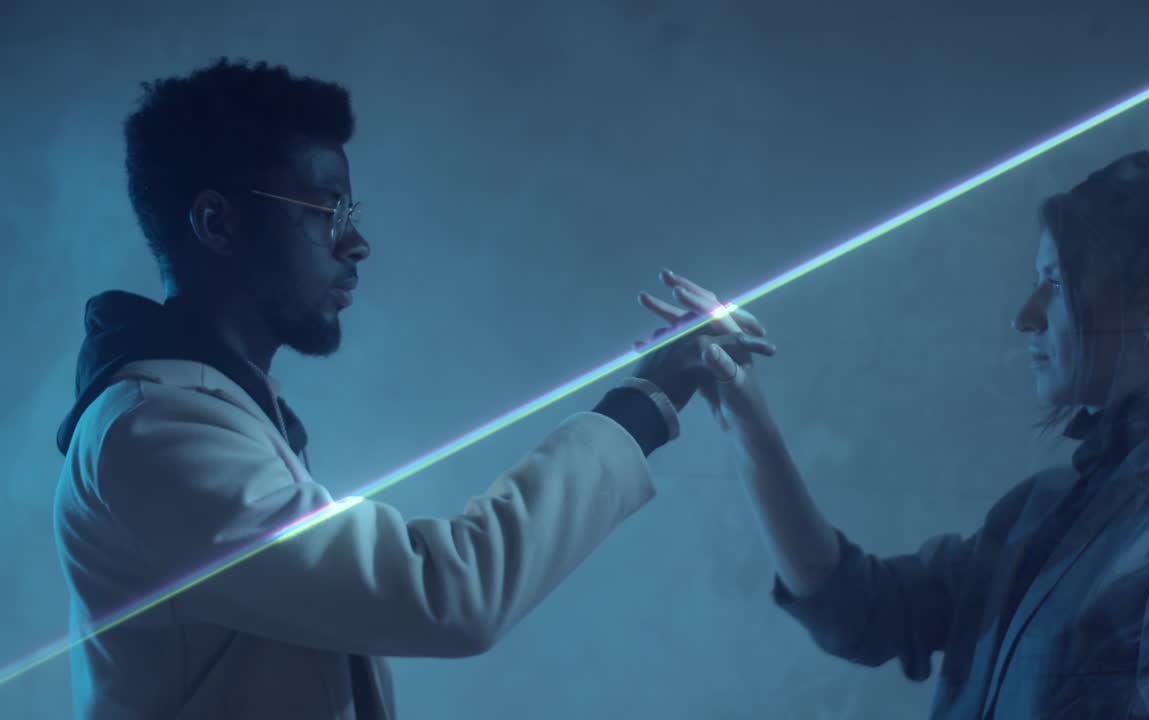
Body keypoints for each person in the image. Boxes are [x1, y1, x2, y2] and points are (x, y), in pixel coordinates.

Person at [51, 58, 773, 720]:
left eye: (352, 216)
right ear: (217, 222)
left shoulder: (207, 414)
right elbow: (444, 598)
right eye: (325, 209)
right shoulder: (153, 434)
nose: (355, 244)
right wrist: (645, 403)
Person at [637, 151, 1149, 718]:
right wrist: (746, 416)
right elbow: (858, 608)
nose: (1025, 316)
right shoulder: (1037, 513)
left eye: (1056, 282)